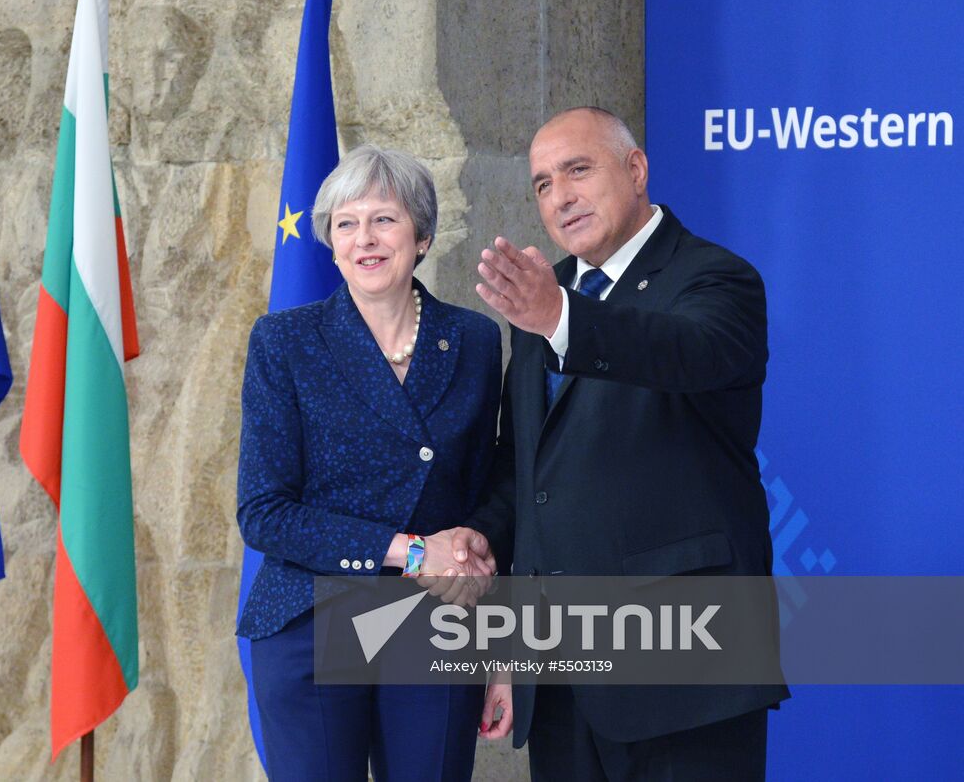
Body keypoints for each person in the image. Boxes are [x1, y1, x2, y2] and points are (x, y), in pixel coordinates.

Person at [456, 107, 788, 780]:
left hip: (687, 674)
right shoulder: (543, 299)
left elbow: (685, 351)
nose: (560, 197)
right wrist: (485, 537)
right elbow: (529, 472)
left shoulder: (715, 280)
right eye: (543, 184)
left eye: (578, 170)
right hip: (562, 680)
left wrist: (560, 318)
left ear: (636, 170)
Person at [237, 144, 506, 781]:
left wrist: (501, 648)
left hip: (434, 620)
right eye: (347, 222)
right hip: (311, 615)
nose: (366, 238)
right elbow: (263, 514)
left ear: (422, 235)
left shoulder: (473, 339)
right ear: (330, 242)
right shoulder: (286, 341)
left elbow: (486, 496)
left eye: (384, 219)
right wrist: (413, 552)